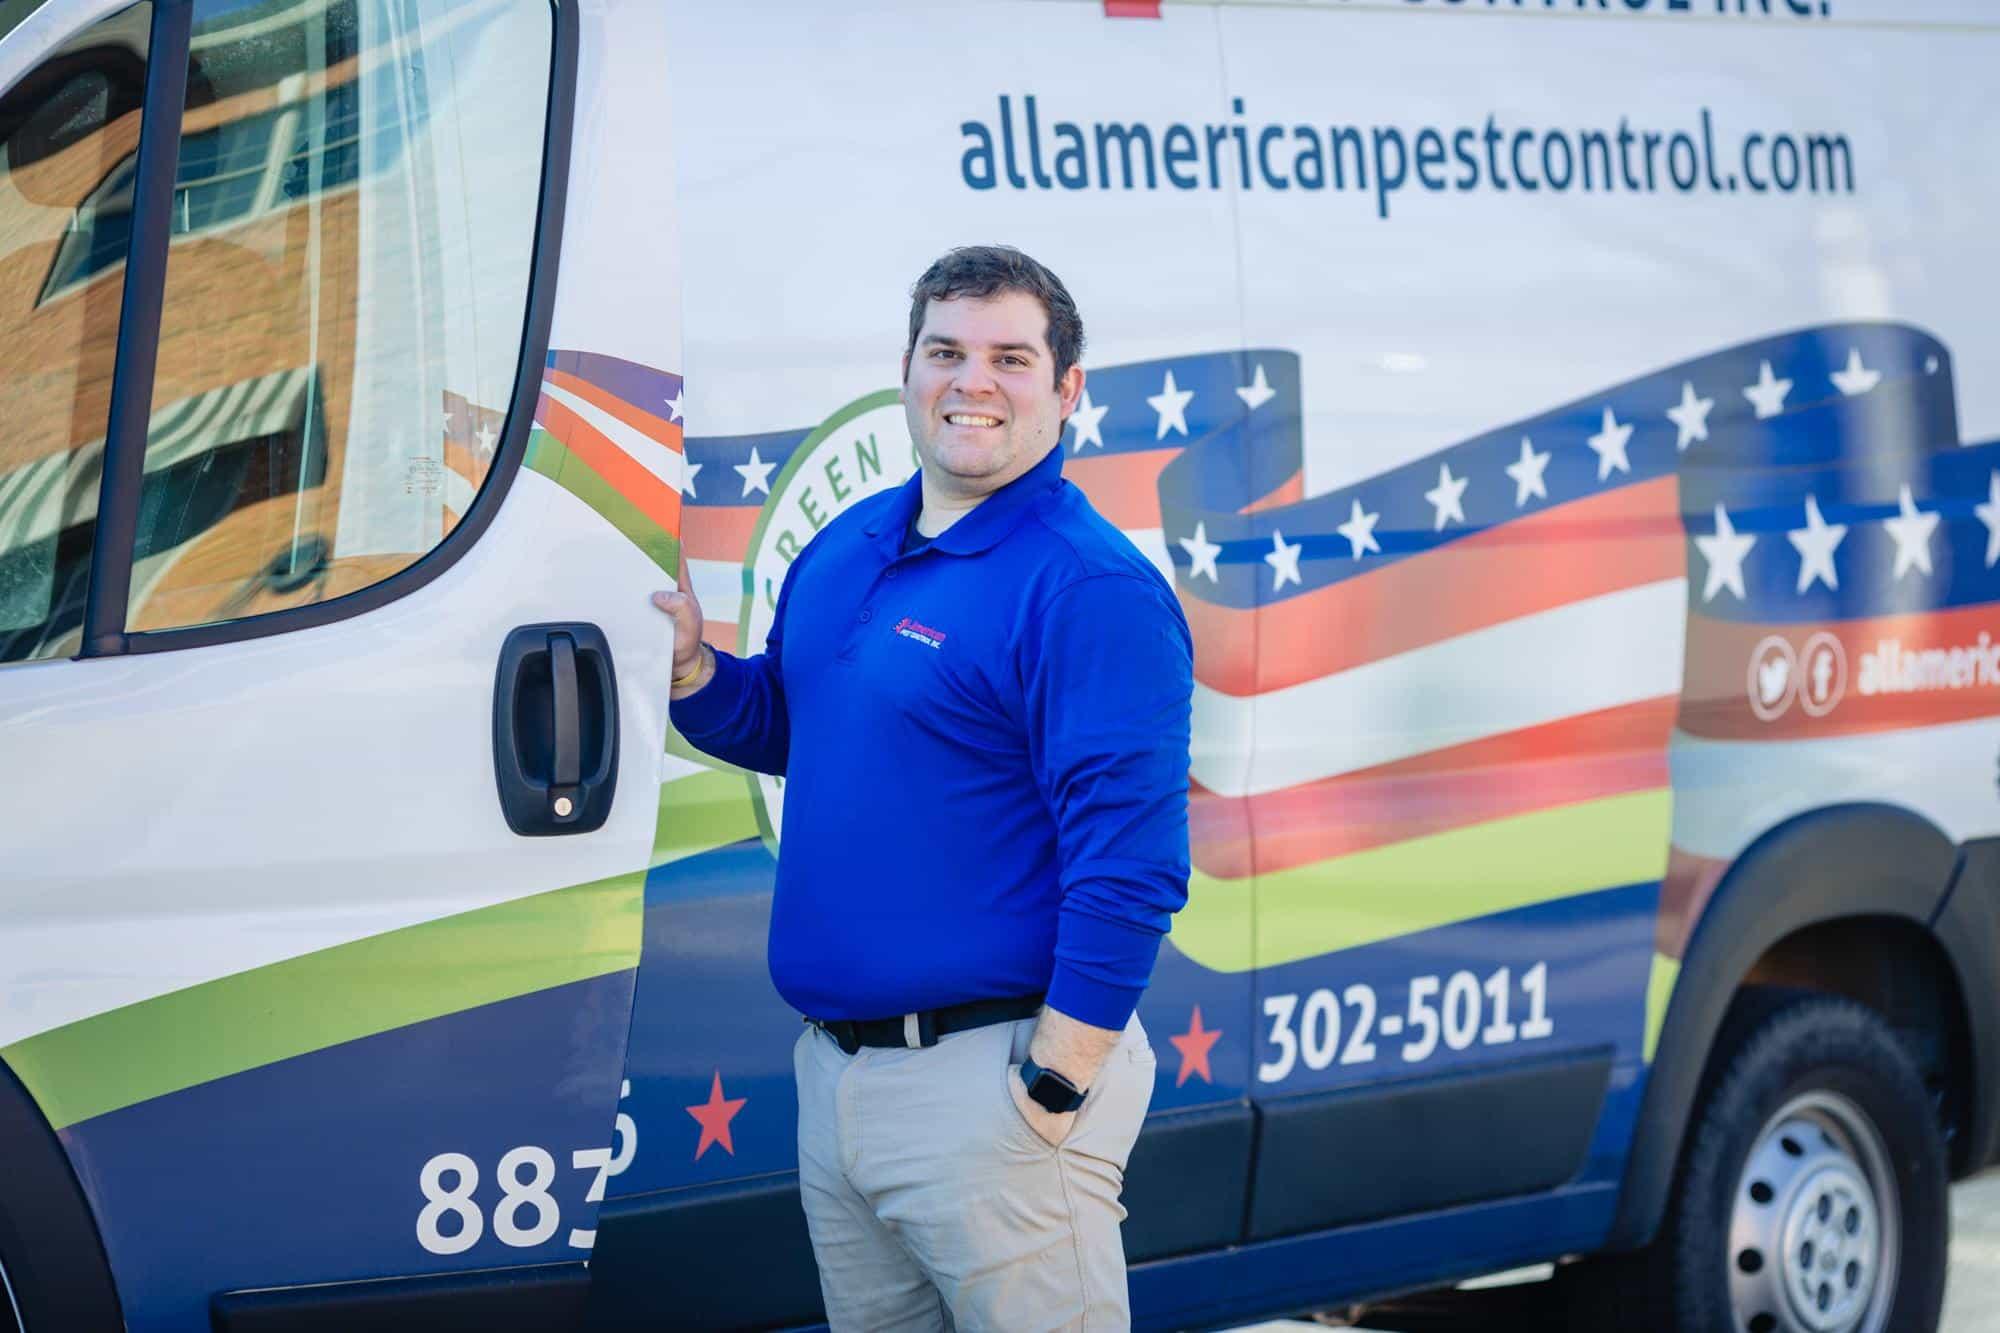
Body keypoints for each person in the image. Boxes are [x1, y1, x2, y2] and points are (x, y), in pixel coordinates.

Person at [652, 244, 1193, 1330]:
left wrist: (1054, 1084)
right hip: (839, 1081)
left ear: (1066, 389)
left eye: (1010, 358)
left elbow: (1129, 866)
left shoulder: (1086, 587)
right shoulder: (849, 544)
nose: (970, 381)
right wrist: (696, 673)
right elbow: (800, 724)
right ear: (906, 370)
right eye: (945, 351)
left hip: (993, 1087)